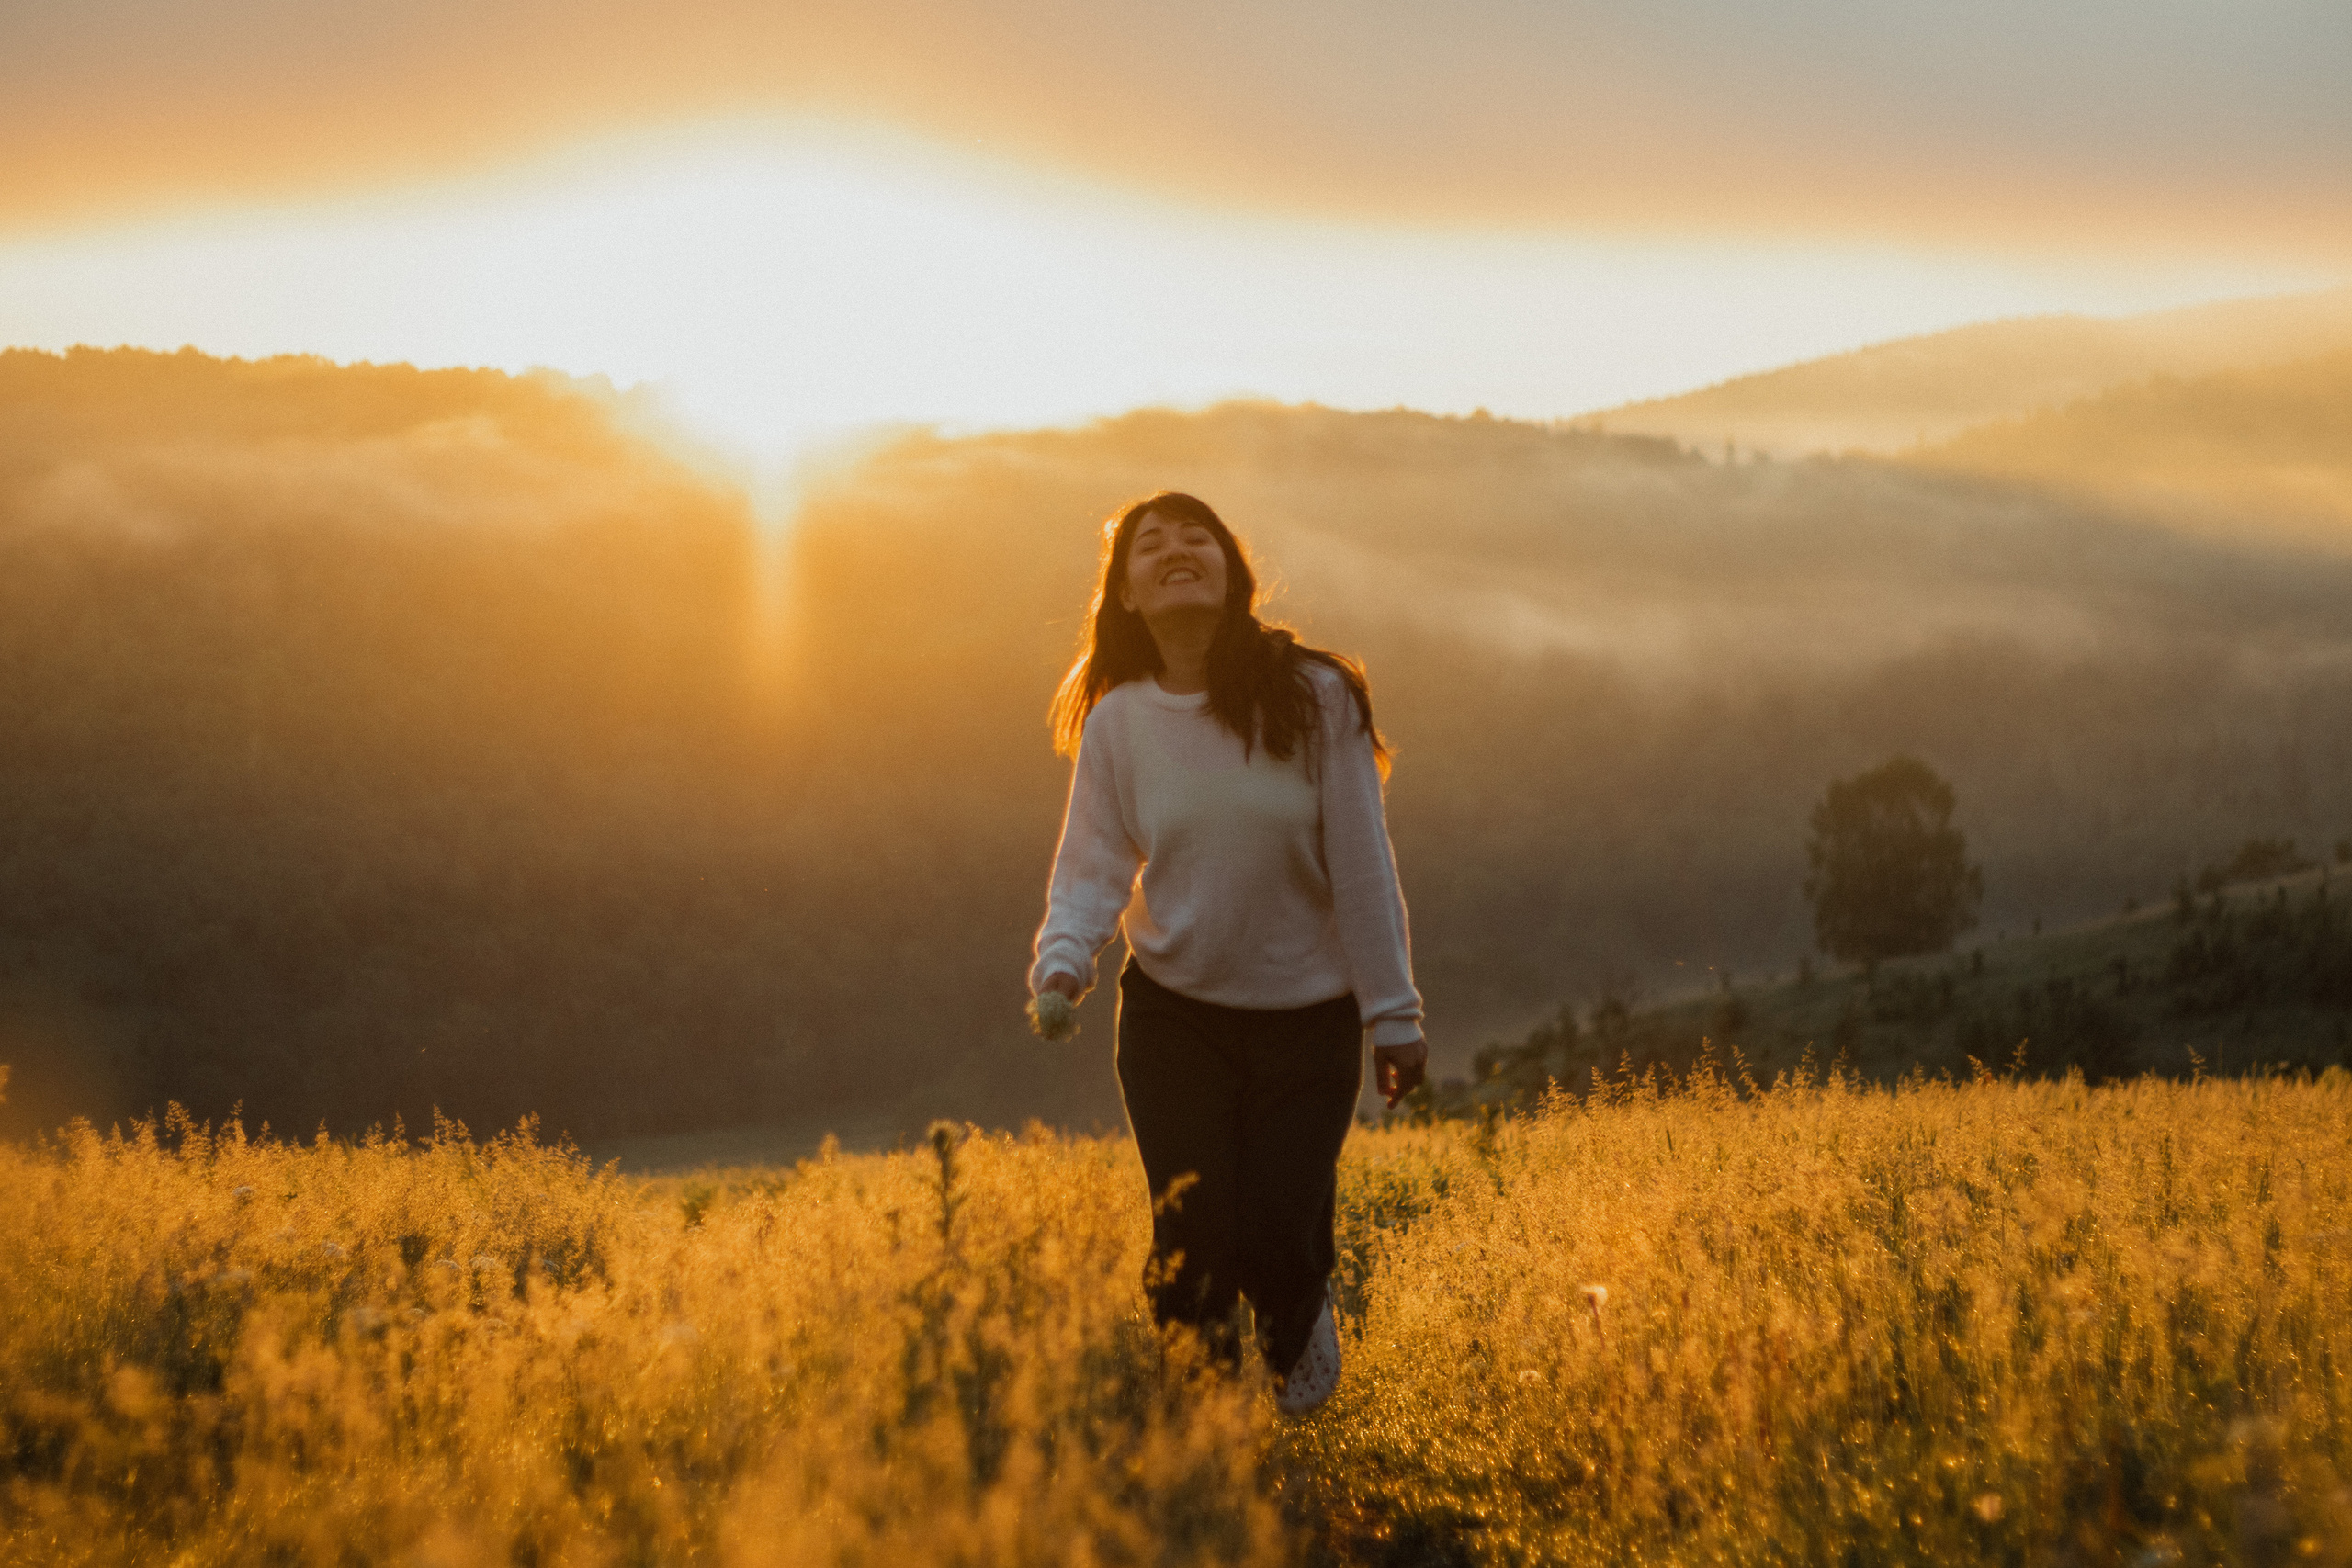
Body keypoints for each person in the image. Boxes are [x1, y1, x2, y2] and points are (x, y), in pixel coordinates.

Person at [1028, 491, 1429, 1416]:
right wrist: (1064, 957)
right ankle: (1207, 1440)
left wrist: (1393, 1015)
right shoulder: (1119, 723)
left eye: (1195, 537)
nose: (1174, 550)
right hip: (1175, 1016)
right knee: (1190, 1242)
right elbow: (1093, 864)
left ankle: (1297, 1318)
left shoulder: (1315, 698)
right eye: (1149, 545)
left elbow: (1363, 868)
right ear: (1124, 594)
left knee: (1276, 1237)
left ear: (1233, 572)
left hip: (1307, 1019)